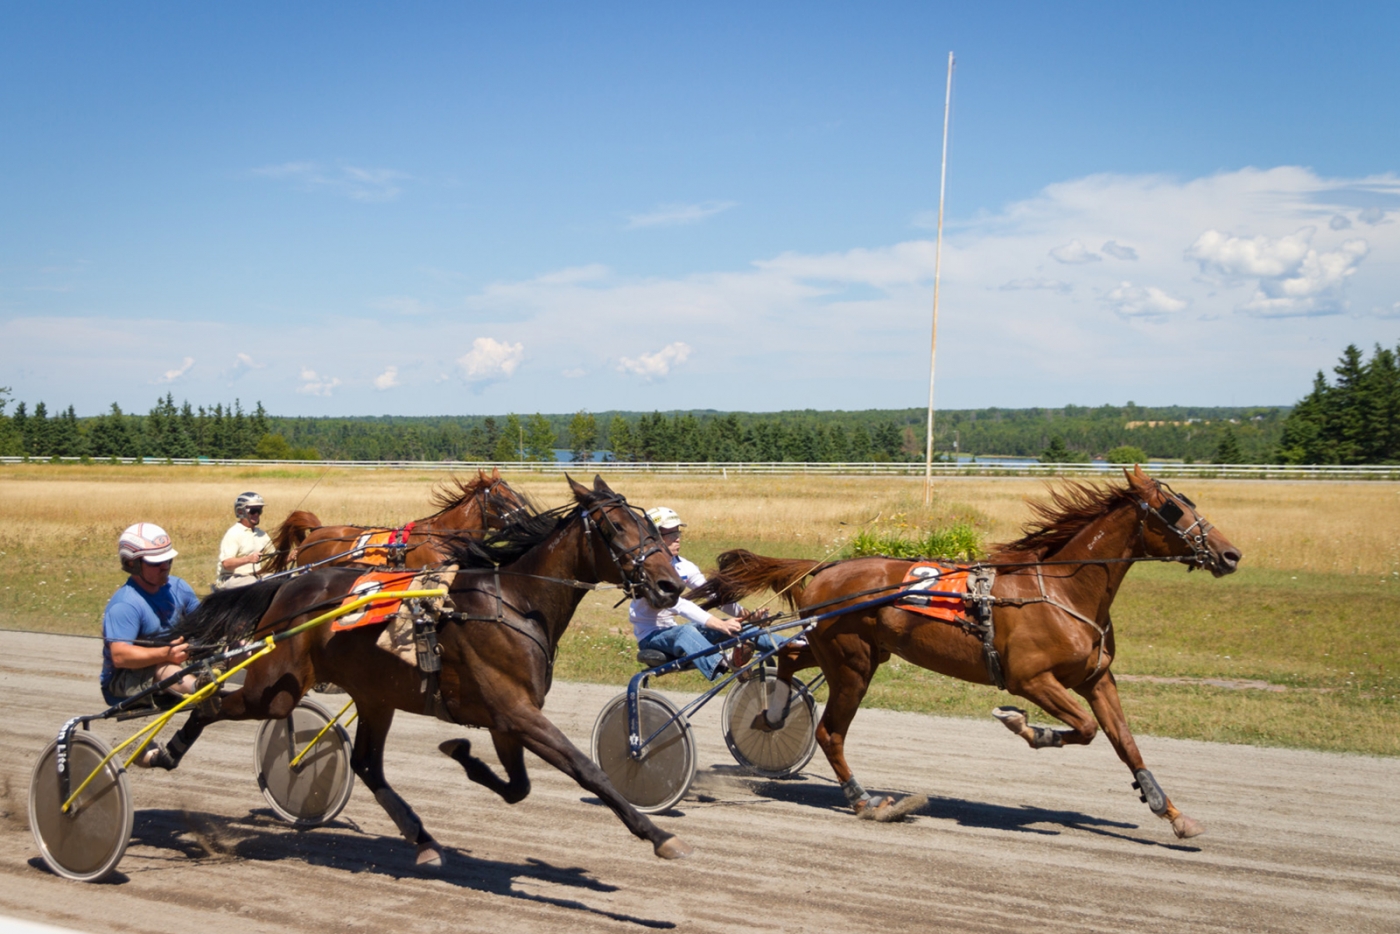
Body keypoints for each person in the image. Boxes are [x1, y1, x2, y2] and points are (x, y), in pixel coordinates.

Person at [630, 506, 770, 680]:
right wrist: (720, 625)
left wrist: (747, 616)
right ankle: (727, 664)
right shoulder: (646, 570)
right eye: (670, 533)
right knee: (687, 632)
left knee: (743, 627)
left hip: (674, 631)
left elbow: (714, 596)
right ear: (653, 537)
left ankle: (795, 646)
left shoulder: (685, 566)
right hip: (651, 637)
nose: (677, 538)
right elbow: (679, 605)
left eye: (677, 532)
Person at [100, 522, 200, 711]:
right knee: (164, 665)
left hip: (173, 664)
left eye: (168, 561)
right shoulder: (125, 604)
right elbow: (120, 656)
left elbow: (204, 623)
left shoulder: (179, 587)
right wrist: (166, 653)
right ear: (132, 564)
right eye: (156, 563)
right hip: (122, 682)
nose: (165, 567)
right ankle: (199, 690)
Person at [213, 491, 274, 590]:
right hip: (231, 578)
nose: (256, 514)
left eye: (259, 510)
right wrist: (248, 559)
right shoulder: (233, 533)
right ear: (241, 512)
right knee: (254, 583)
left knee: (284, 579)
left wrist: (290, 556)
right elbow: (227, 564)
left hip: (256, 576)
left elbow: (273, 558)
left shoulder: (262, 534)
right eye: (253, 511)